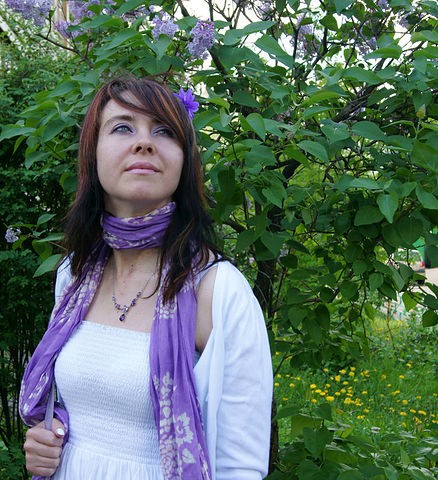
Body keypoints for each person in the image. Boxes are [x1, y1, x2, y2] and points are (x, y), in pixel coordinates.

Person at [20, 77, 273, 480]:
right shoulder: (74, 275)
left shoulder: (217, 290)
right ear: (93, 153)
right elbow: (77, 410)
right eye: (123, 127)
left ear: (184, 161)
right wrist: (47, 441)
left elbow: (239, 466)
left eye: (164, 131)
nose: (144, 143)